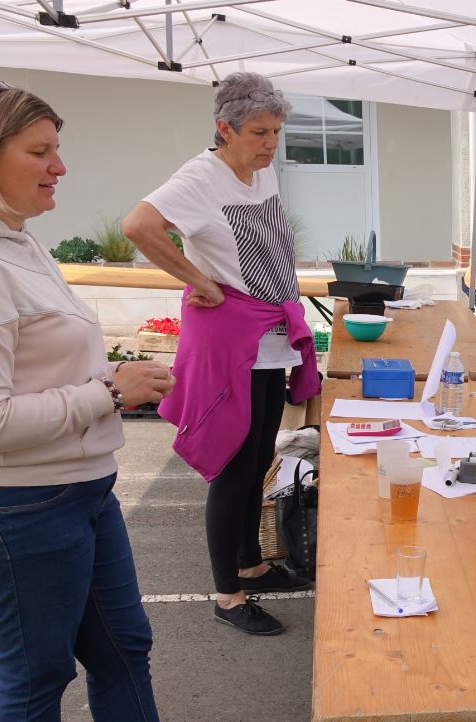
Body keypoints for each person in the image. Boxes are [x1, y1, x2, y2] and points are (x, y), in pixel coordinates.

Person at [0, 76, 169, 720]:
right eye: (39, 151)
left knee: (124, 651)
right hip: (9, 504)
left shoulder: (13, 242)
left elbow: (33, 367)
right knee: (36, 678)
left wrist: (110, 382)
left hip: (77, 490)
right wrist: (107, 392)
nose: (59, 166)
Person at [123, 71, 318, 637]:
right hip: (230, 339)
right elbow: (138, 225)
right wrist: (196, 279)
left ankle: (250, 564)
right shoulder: (199, 178)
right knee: (233, 468)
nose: (269, 143)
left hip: (269, 334)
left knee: (259, 458)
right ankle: (228, 596)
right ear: (223, 129)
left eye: (276, 132)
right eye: (258, 132)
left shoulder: (260, 171)